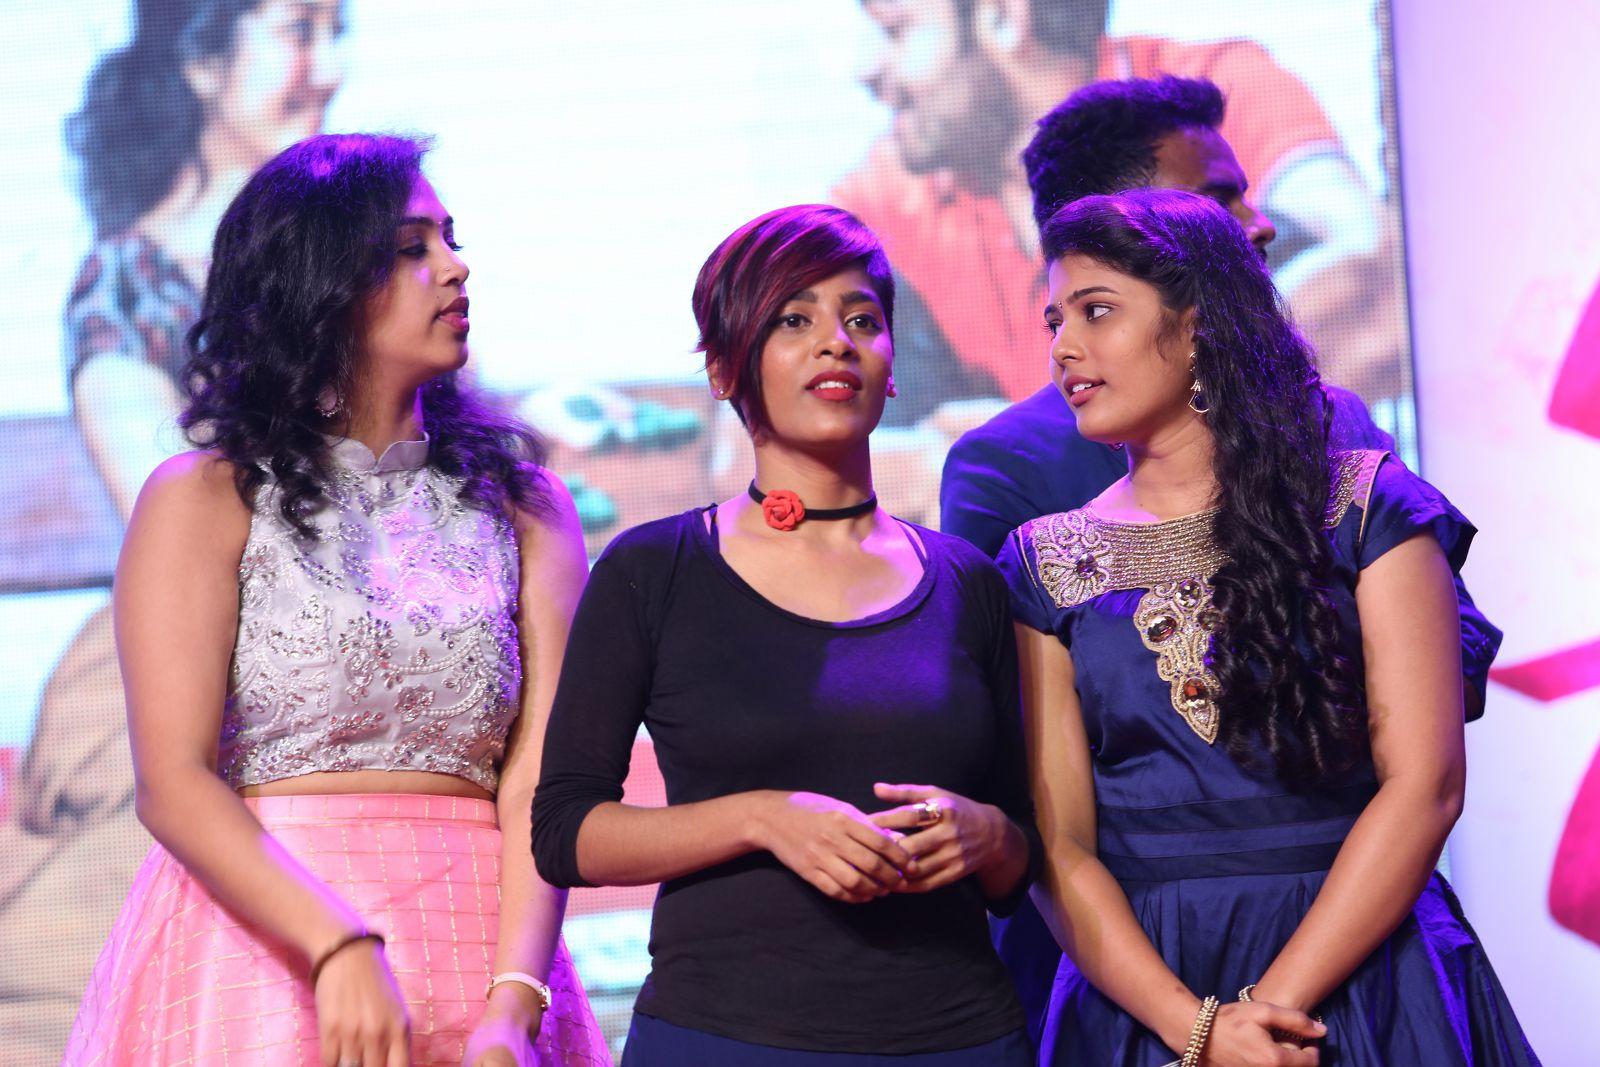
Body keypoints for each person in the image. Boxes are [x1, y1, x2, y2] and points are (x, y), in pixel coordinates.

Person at [62, 134, 609, 1066]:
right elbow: (174, 781)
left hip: (486, 952)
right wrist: (338, 945)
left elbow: (538, 782)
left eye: (450, 239)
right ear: (319, 284)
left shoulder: (527, 507)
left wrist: (516, 1001)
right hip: (266, 951)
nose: (456, 267)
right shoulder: (204, 497)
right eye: (411, 248)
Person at [999, 187, 1537, 1065]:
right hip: (1145, 996)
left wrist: (1268, 1013)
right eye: (1054, 319)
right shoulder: (1045, 561)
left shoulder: (1364, 508)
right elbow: (1059, 843)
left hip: (1358, 971)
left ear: (1197, 326)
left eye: (1096, 311)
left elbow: (1427, 786)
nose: (1063, 347)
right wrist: (1199, 1031)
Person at [533, 205, 1038, 1065]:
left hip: (959, 1037)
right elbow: (565, 830)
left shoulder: (968, 581)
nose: (836, 342)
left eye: (862, 320)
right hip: (726, 1035)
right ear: (726, 366)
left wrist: (989, 834)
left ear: (893, 368)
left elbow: (1020, 857)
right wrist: (764, 817)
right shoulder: (653, 570)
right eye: (793, 321)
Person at [0, 3, 345, 1055]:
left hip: (345, 635)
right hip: (195, 636)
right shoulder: (128, 282)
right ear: (202, 64)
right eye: (298, 32)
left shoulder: (354, 272)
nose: (327, 69)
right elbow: (169, 507)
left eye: (337, 33)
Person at [840, 0, 1400, 410]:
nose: (864, 69)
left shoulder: (1218, 91)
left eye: (895, 29)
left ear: (1004, 17)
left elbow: (1375, 273)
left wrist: (1037, 447)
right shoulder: (888, 190)